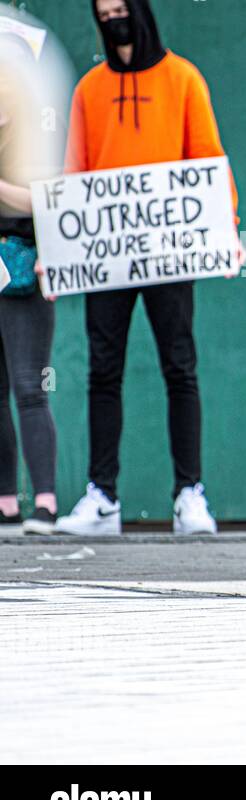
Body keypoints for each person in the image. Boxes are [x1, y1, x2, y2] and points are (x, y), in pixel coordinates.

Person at [53, 0, 239, 536]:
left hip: (170, 248)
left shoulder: (182, 78)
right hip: (106, 254)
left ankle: (189, 495)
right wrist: (57, 251)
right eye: (103, 10)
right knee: (102, 372)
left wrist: (225, 227)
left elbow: (207, 157)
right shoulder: (89, 88)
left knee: (179, 367)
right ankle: (103, 497)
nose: (113, 18)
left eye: (120, 7)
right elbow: (76, 172)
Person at [0, 33, 59, 534]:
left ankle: (45, 503)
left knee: (29, 387)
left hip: (27, 271)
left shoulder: (41, 136)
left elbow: (52, 201)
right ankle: (5, 503)